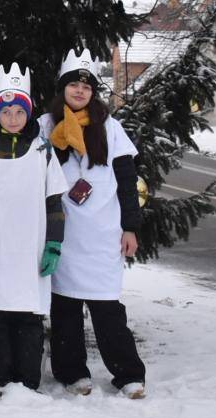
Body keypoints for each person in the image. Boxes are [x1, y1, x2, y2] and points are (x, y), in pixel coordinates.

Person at [40, 49, 147, 399]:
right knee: (66, 307)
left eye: (86, 86)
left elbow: (127, 180)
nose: (80, 91)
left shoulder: (109, 127)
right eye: (74, 84)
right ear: (63, 89)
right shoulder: (45, 126)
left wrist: (130, 226)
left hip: (102, 234)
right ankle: (72, 372)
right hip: (66, 233)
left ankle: (128, 373)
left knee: (107, 309)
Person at [0, 65, 65, 398]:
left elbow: (54, 202)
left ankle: (28, 379)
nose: (14, 117)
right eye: (7, 111)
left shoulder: (43, 150)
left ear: (28, 112)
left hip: (29, 247)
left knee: (27, 316)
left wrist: (53, 244)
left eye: (20, 111)